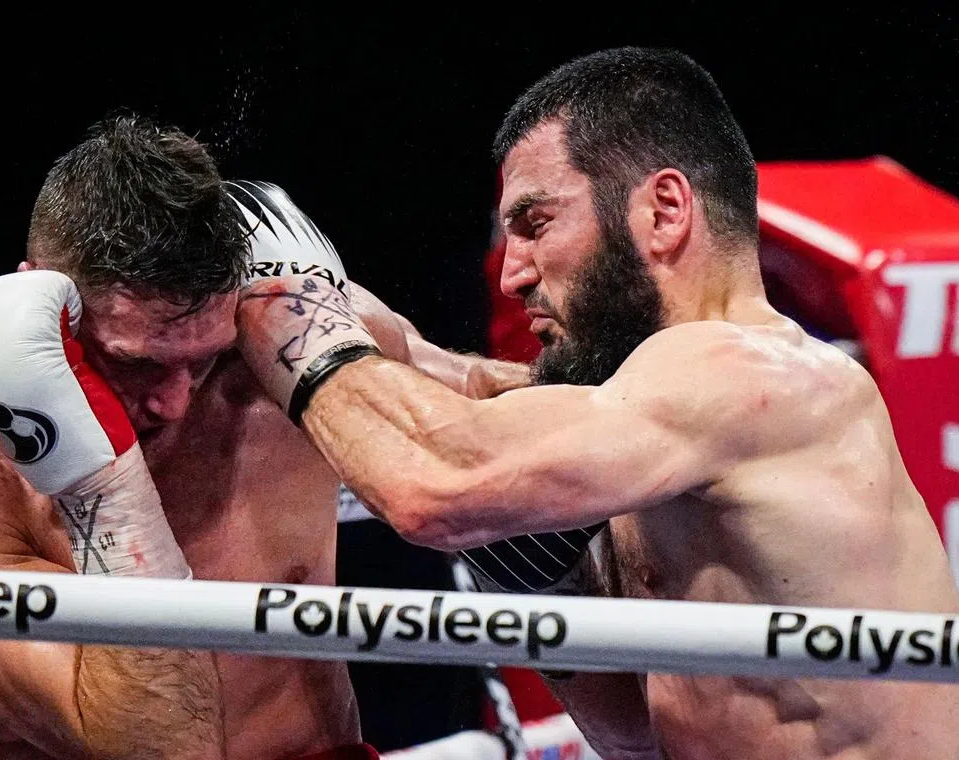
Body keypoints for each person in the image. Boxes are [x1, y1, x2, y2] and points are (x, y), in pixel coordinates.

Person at [233, 47, 959, 760]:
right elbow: (634, 732)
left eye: (536, 223)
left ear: (664, 211)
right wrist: (350, 311)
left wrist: (290, 316)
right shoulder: (664, 423)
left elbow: (433, 482)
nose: (512, 273)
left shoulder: (742, 369)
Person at [0, 113, 526, 760]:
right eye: (135, 361)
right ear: (42, 305)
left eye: (202, 358)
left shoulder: (278, 356)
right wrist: (98, 478)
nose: (172, 401)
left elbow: (495, 400)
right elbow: (161, 746)